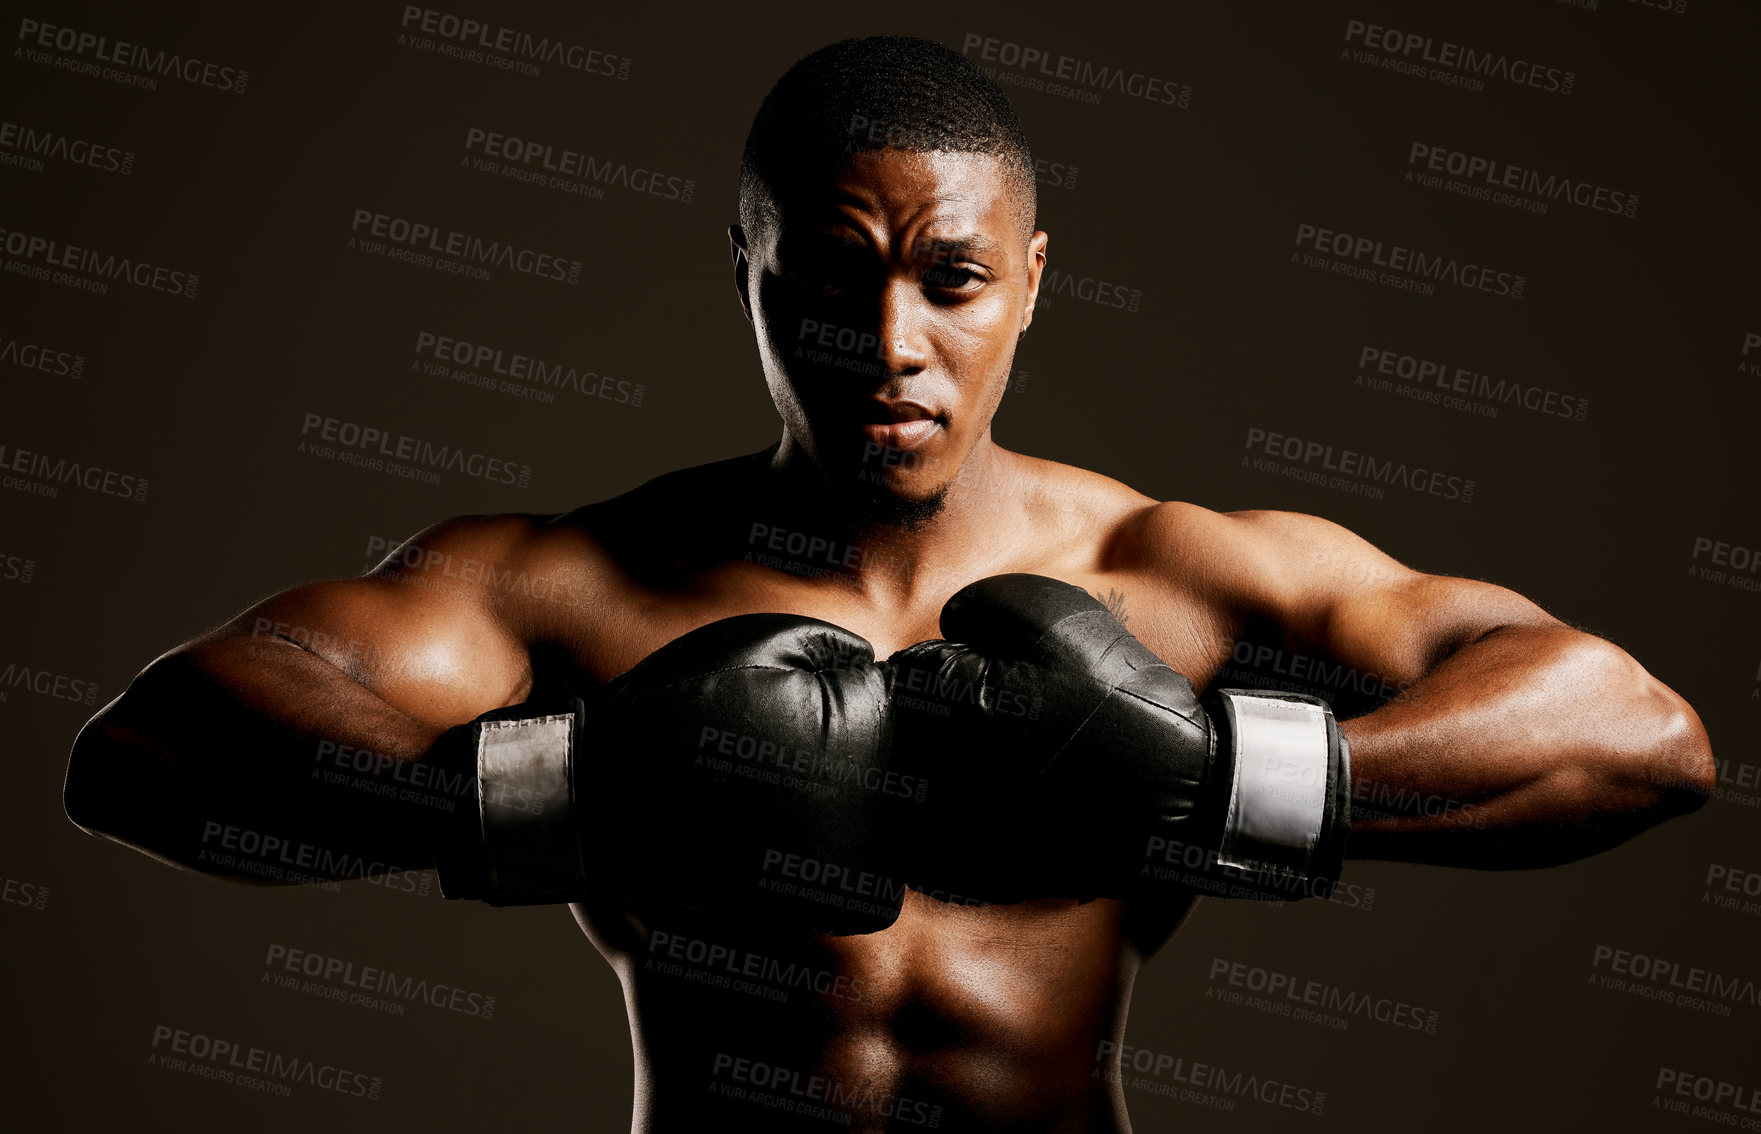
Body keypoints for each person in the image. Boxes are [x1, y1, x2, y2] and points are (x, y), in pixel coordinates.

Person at [64, 36, 1713, 1132]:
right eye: (831, 285)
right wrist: (565, 784)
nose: (893, 349)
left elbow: (1633, 731)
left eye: (953, 280)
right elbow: (145, 749)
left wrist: (1228, 775)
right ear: (746, 277)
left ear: (1033, 282)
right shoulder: (571, 582)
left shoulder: (1169, 572)